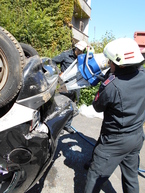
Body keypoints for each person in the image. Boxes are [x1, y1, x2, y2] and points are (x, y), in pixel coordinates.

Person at [84, 38, 145, 193]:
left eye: (110, 62)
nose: (108, 64)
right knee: (131, 177)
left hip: (114, 141)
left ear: (121, 64)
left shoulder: (112, 86)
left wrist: (105, 82)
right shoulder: (143, 75)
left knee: (94, 176)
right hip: (136, 136)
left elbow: (97, 107)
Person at [52, 40, 88, 133]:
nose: (79, 52)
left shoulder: (82, 58)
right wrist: (58, 73)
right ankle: (58, 127)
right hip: (64, 84)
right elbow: (52, 62)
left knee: (72, 106)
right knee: (61, 106)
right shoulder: (65, 55)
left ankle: (67, 125)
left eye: (81, 51)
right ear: (75, 47)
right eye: (78, 50)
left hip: (76, 85)